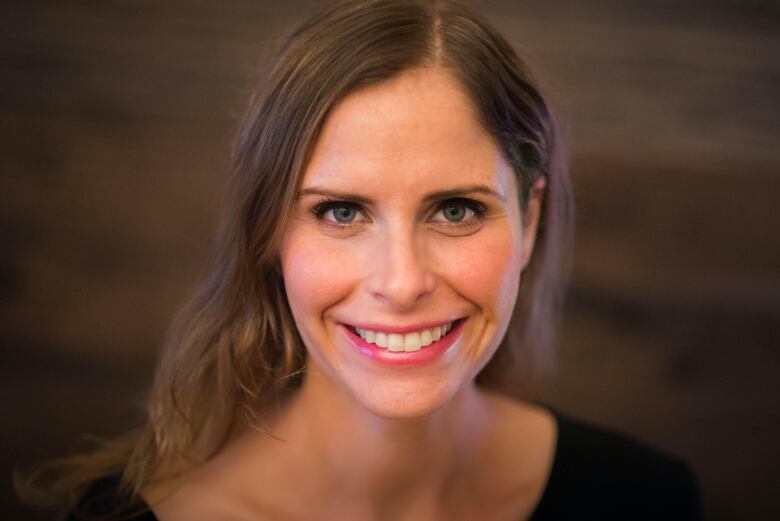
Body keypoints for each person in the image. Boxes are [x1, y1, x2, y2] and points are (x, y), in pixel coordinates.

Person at [20, 0, 700, 519]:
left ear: (529, 222)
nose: (401, 282)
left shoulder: (645, 498)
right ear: (270, 234)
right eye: (340, 211)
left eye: (457, 209)